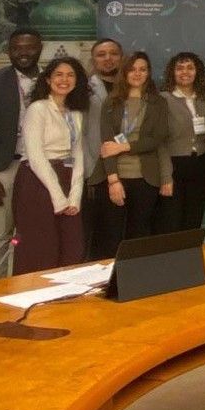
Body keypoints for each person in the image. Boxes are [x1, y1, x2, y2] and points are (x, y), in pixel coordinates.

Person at [0, 27, 43, 280]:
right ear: (8, 51)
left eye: (30, 48)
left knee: (36, 234)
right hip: (5, 168)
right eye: (16, 49)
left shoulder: (52, 80)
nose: (23, 53)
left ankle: (28, 289)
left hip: (42, 168)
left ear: (40, 49)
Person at [14, 56, 88, 274]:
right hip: (37, 182)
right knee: (40, 246)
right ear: (47, 79)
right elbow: (35, 156)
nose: (64, 80)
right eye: (59, 75)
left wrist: (74, 196)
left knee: (72, 246)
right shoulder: (38, 109)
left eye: (70, 75)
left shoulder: (75, 113)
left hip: (67, 179)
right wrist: (58, 198)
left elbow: (78, 154)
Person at [95, 52, 170, 257]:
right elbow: (107, 144)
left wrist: (124, 147)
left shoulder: (158, 102)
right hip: (114, 176)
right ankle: (113, 277)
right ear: (125, 72)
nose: (137, 74)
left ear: (148, 73)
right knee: (112, 236)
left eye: (142, 69)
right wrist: (113, 181)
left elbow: (157, 138)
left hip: (146, 178)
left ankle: (136, 275)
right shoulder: (111, 102)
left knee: (139, 234)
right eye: (132, 69)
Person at [157, 52, 205, 234]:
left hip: (200, 166)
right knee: (171, 223)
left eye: (190, 68)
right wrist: (166, 177)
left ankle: (190, 253)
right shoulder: (163, 99)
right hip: (174, 167)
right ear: (172, 72)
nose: (185, 72)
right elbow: (160, 142)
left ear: (198, 72)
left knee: (193, 221)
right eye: (180, 68)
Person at [81, 38, 122, 260]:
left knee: (118, 234)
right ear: (93, 59)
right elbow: (80, 135)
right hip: (95, 172)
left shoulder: (130, 87)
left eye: (113, 53)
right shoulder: (85, 89)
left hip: (125, 169)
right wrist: (90, 174)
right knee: (96, 235)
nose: (108, 58)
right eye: (101, 54)